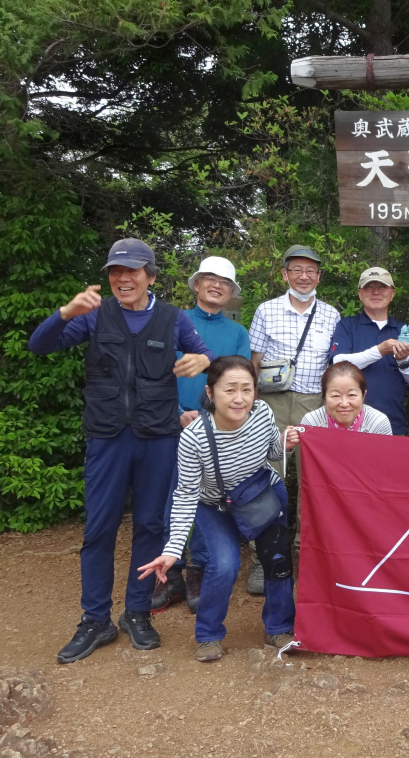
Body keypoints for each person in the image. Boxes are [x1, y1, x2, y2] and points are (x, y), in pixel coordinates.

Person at [28, 238, 214, 663]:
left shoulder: (172, 319)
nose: (122, 278)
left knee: (150, 525)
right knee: (99, 529)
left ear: (150, 276)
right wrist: (64, 314)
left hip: (157, 439)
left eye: (132, 271)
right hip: (107, 437)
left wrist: (203, 362)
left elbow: (208, 356)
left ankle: (136, 612)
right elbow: (39, 346)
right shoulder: (94, 316)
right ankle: (95, 620)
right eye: (115, 271)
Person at [138, 356, 298, 662]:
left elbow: (271, 453)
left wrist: (284, 442)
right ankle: (208, 634)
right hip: (214, 505)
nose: (240, 399)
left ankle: (279, 627)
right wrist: (172, 550)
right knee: (224, 564)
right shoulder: (193, 437)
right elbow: (185, 495)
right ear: (210, 393)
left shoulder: (262, 412)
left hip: (262, 493)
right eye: (230, 390)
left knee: (277, 560)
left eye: (247, 389)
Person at [152, 256, 251, 615]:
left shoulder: (237, 333)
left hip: (215, 429)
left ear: (231, 293)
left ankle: (199, 570)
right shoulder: (172, 322)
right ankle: (171, 572)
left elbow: (239, 383)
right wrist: (178, 414)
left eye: (224, 282)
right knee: (171, 497)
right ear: (196, 284)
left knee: (210, 499)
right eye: (210, 279)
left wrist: (212, 418)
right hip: (170, 423)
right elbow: (156, 374)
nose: (216, 285)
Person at [247, 244, 340, 590]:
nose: (304, 276)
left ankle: (307, 555)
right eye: (296, 269)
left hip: (314, 403)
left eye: (311, 270)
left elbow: (334, 364)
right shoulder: (266, 310)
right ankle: (264, 559)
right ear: (284, 273)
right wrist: (251, 405)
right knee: (267, 478)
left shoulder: (331, 314)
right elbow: (254, 362)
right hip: (270, 402)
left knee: (310, 481)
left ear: (319, 276)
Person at [328, 267, 409, 435]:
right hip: (349, 425)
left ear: (392, 293)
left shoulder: (404, 329)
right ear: (360, 293)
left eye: (382, 287)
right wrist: (380, 350)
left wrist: (403, 361)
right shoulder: (347, 325)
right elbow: (338, 363)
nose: (376, 292)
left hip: (394, 424)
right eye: (369, 287)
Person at [295, 361, 394, 434]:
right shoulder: (311, 422)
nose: (344, 404)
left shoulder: (378, 422)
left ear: (364, 395)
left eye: (352, 395)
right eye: (336, 396)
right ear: (324, 396)